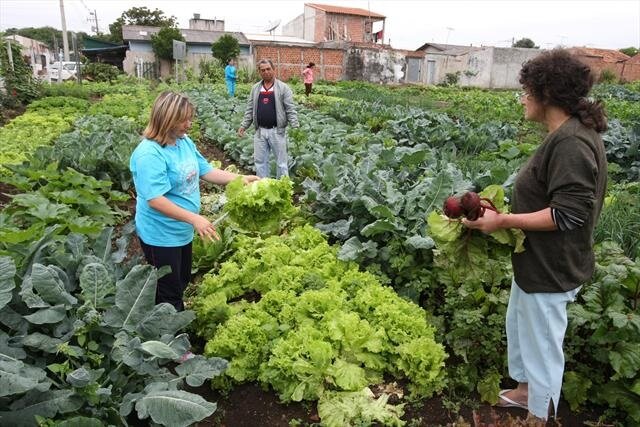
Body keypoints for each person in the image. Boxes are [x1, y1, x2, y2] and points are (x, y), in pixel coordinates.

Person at [463, 49, 607, 424]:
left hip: (552, 266)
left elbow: (568, 214)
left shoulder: (572, 142)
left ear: (546, 94)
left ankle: (540, 416)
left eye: (526, 89)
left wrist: (505, 221)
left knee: (542, 344)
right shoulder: (566, 134)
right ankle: (526, 392)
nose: (522, 97)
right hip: (536, 261)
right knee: (521, 328)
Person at [130, 91, 259, 311]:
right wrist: (194, 219)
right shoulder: (149, 154)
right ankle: (169, 339)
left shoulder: (183, 142)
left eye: (190, 118)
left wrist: (240, 179)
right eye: (184, 120)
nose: (189, 124)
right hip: (160, 234)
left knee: (180, 282)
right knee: (168, 292)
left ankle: (168, 321)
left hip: (181, 231)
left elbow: (205, 170)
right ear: (167, 118)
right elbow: (155, 200)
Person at [237, 59, 299, 178]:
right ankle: (263, 187)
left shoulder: (283, 88)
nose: (266, 72)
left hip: (277, 131)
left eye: (268, 69)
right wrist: (243, 126)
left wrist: (295, 126)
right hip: (259, 131)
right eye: (263, 70)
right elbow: (250, 109)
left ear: (273, 69)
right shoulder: (255, 88)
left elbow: (290, 109)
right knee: (260, 163)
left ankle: (282, 189)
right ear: (259, 72)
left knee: (281, 163)